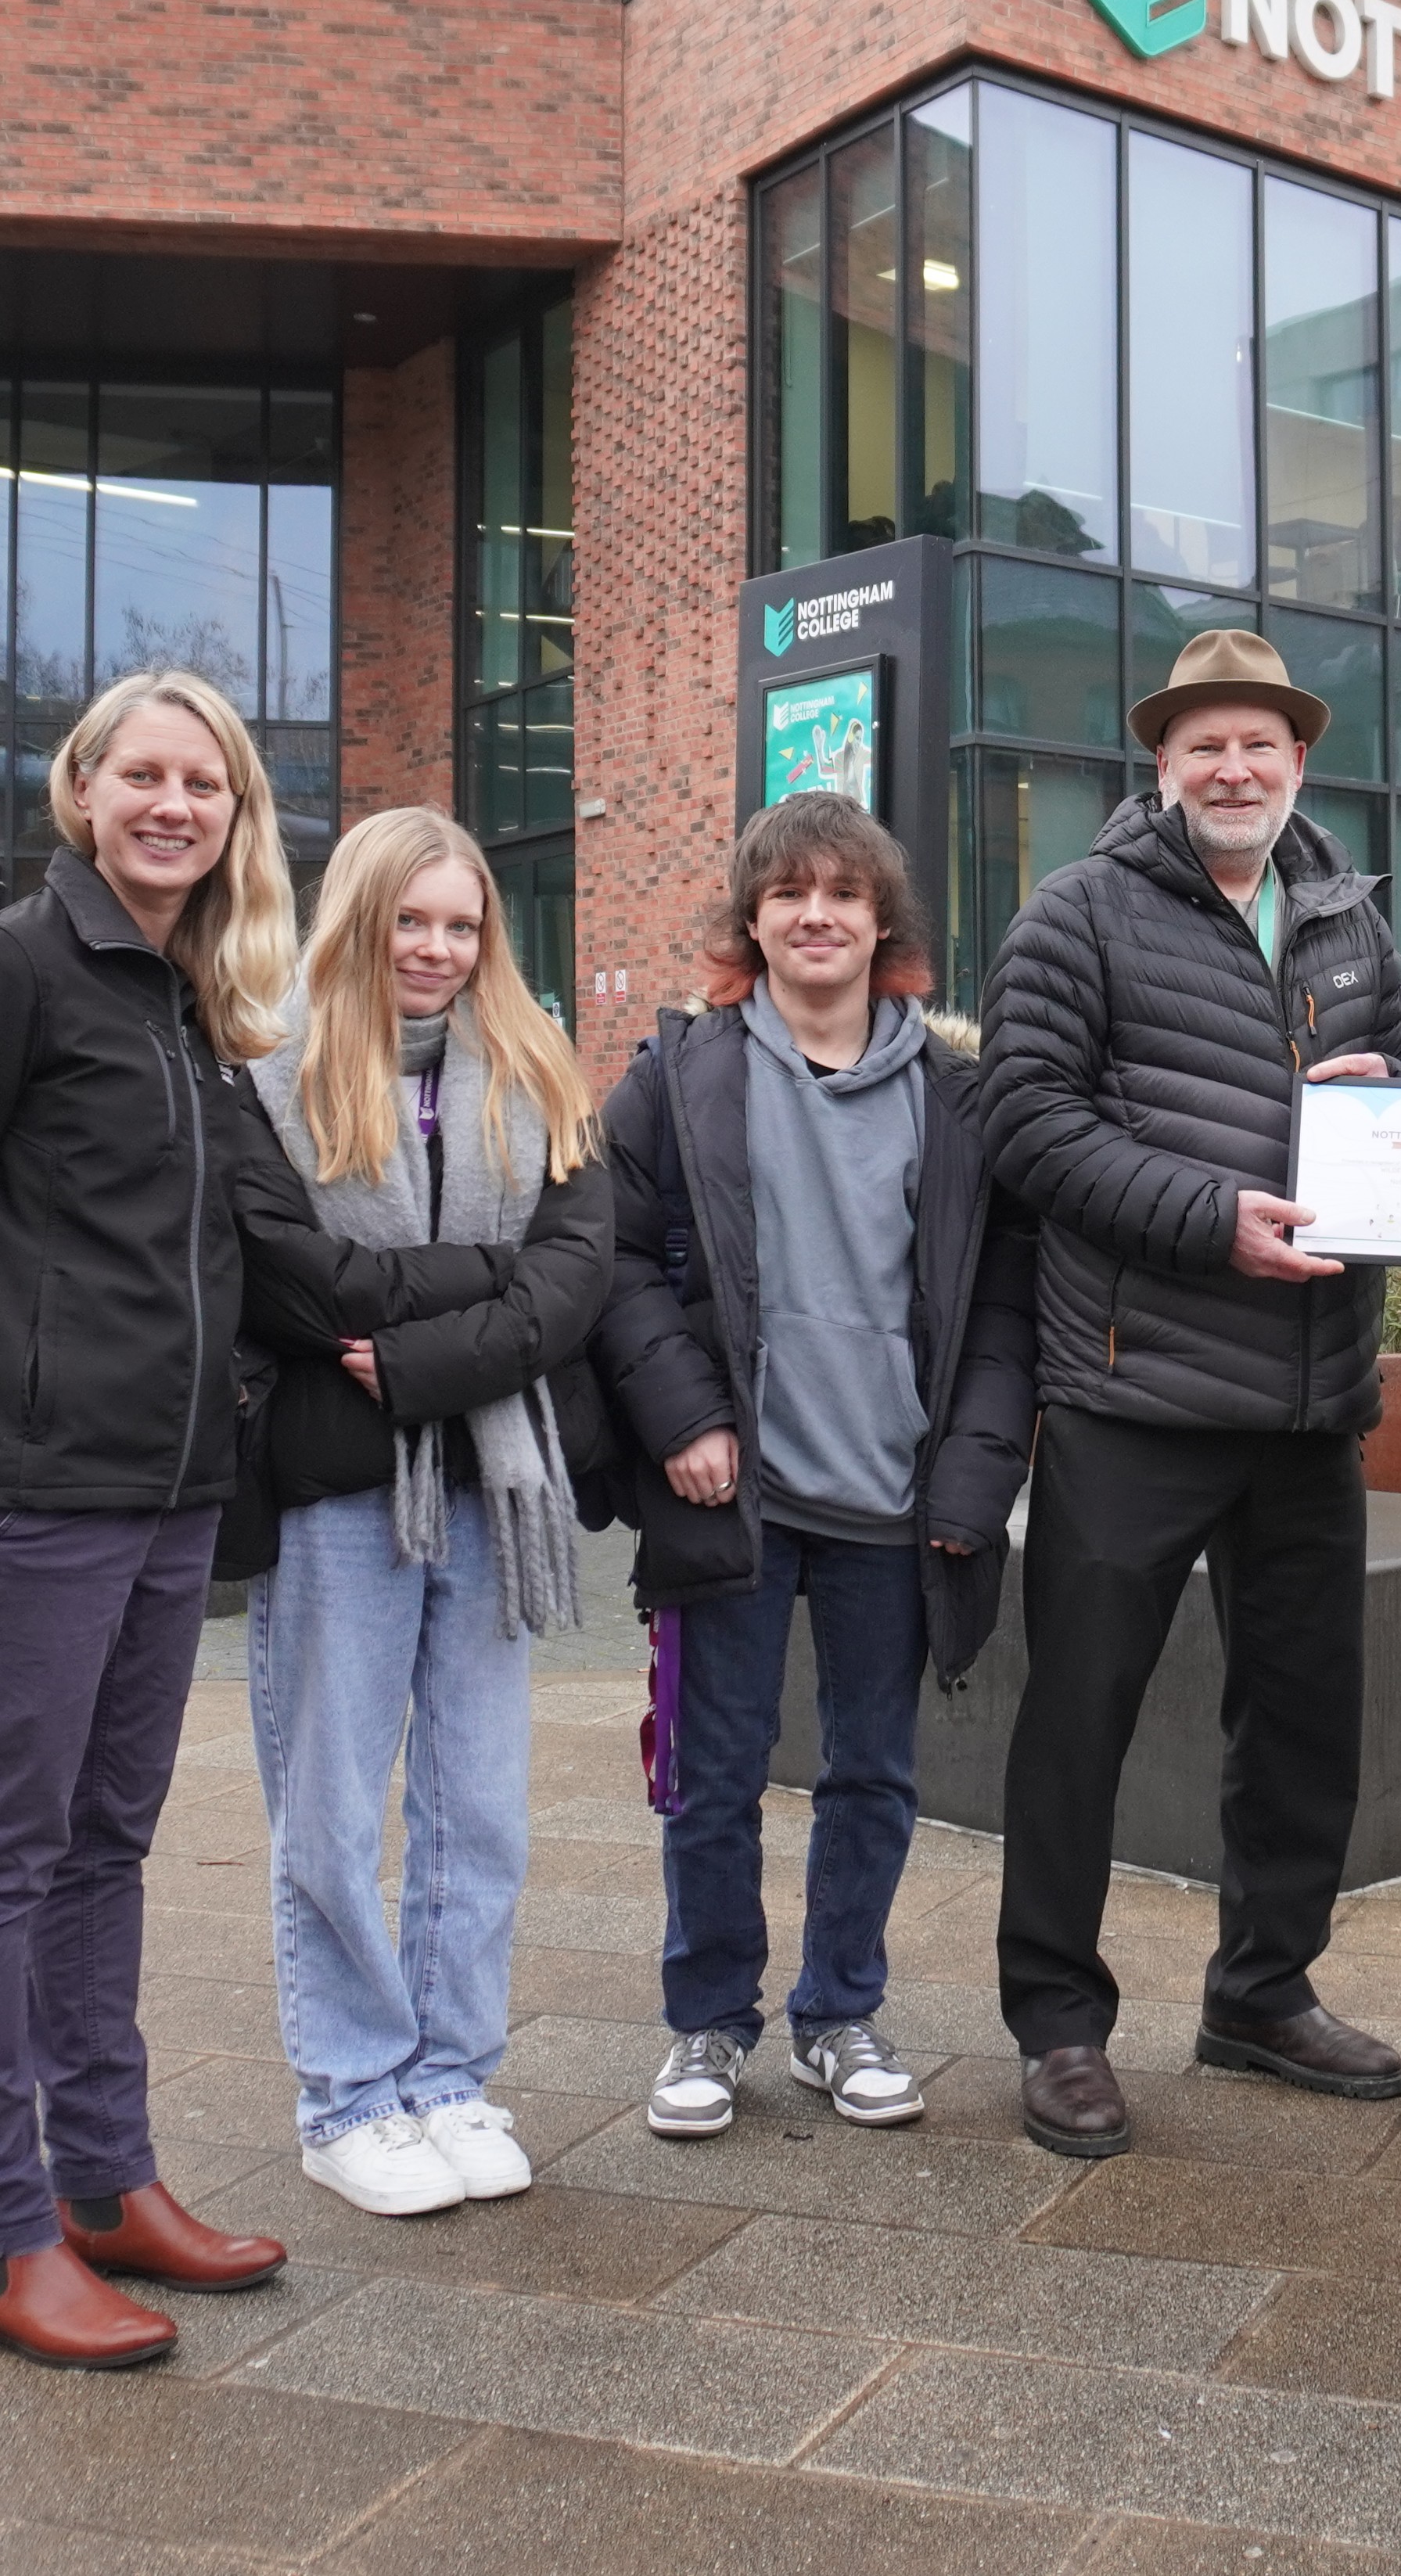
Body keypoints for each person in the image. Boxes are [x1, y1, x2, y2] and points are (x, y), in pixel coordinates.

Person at [0, 668, 453, 2370]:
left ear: (236, 813)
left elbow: (242, 1252)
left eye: (207, 782)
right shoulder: (9, 969)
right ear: (84, 788)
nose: (174, 804)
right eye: (145, 775)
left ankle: (104, 2183)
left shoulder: (189, 1000)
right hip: (34, 1488)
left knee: (104, 1841)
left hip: (172, 1486)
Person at [980, 627, 1401, 2158]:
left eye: (1259, 744)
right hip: (1134, 1393)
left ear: (1296, 758)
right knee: (1079, 1718)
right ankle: (1058, 2023)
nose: (1233, 768)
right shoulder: (1076, 912)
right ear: (1163, 763)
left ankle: (1261, 1991)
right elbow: (1023, 1118)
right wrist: (1205, 1217)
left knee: (1302, 1721)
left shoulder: (1347, 917)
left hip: (1309, 1403)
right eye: (1205, 745)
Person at [591, 792, 1037, 2146]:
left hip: (891, 1499)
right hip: (732, 1492)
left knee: (871, 1776)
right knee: (713, 1774)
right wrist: (683, 1420)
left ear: (882, 920)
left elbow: (1000, 1310)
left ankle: (839, 2013)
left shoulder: (958, 1099)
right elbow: (615, 1260)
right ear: (751, 918)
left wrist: (969, 1484)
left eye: (843, 892)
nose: (816, 914)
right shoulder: (680, 1076)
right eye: (787, 893)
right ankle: (707, 2022)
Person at [234, 805, 610, 2221]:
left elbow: (574, 1277)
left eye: (462, 924)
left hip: (489, 1480)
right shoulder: (266, 1071)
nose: (439, 948)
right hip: (340, 1483)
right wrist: (481, 1287)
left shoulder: (536, 1064)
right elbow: (295, 1279)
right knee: (330, 1806)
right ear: (357, 917)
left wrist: (414, 1356)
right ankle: (349, 2095)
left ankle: (450, 2076)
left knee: (479, 1806)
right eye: (412, 919)